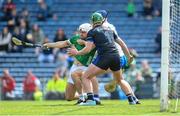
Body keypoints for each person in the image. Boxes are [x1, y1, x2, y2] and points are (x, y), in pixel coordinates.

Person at [68, 12, 139, 106]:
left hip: (105, 57)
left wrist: (77, 53)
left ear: (92, 21)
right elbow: (122, 44)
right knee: (120, 80)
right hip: (116, 56)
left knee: (85, 76)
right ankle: (132, 100)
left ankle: (90, 100)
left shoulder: (92, 32)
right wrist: (128, 56)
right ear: (102, 20)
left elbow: (88, 49)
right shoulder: (110, 30)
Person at [43, 23, 100, 105]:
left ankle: (82, 98)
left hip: (86, 67)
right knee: (69, 97)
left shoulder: (93, 40)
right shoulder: (76, 38)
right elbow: (63, 43)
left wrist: (83, 42)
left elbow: (90, 48)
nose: (80, 34)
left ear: (89, 32)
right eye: (80, 31)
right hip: (74, 66)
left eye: (83, 32)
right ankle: (85, 95)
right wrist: (49, 44)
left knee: (74, 74)